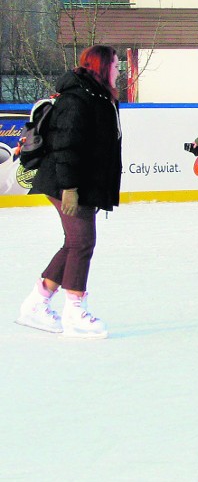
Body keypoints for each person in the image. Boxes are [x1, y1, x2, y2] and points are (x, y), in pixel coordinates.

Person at [16, 45, 122, 338]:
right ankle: (75, 310)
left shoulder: (98, 97)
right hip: (67, 182)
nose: (119, 70)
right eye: (115, 65)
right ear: (101, 66)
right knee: (82, 243)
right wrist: (70, 189)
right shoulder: (78, 99)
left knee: (74, 243)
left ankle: (36, 303)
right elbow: (66, 146)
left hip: (80, 181)